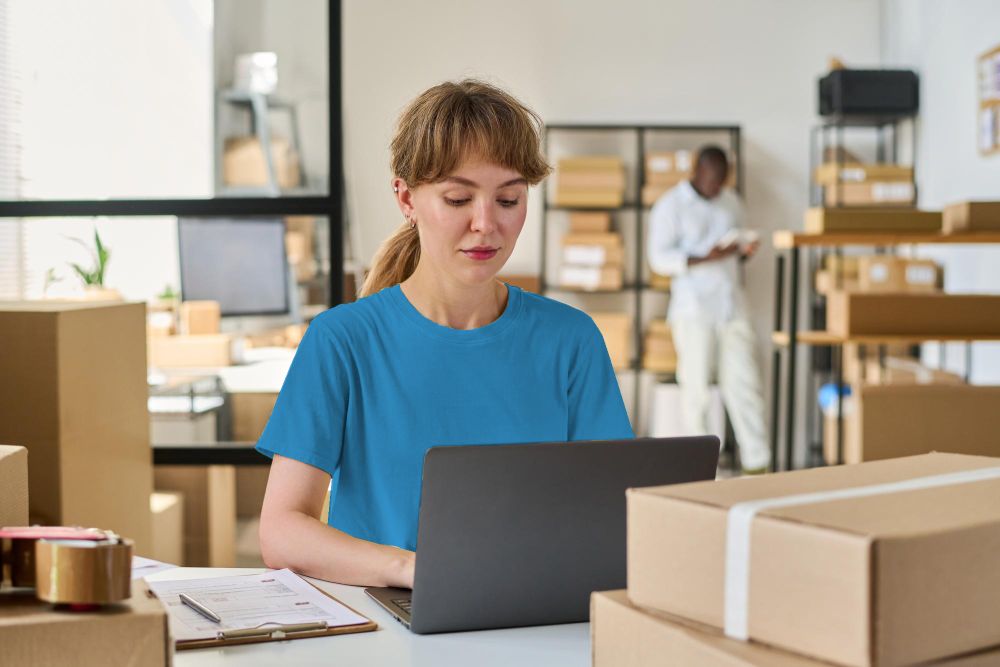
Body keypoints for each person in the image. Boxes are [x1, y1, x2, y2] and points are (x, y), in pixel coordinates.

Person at [257, 79, 634, 589]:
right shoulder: (342, 341)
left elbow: (610, 507)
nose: (486, 224)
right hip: (389, 621)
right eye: (458, 198)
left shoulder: (571, 339)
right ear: (406, 198)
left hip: (532, 618)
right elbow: (282, 531)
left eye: (509, 199)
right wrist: (413, 569)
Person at [646, 146, 770, 473]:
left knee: (746, 386)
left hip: (732, 306)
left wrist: (745, 250)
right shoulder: (670, 206)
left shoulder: (731, 203)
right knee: (697, 390)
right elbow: (658, 259)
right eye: (713, 179)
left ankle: (759, 463)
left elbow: (737, 250)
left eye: (722, 180)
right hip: (693, 310)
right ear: (698, 172)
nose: (717, 186)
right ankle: (699, 468)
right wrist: (706, 257)